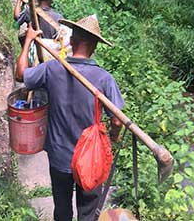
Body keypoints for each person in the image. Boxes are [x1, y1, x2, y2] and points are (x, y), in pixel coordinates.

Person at [16, 15, 124, 221]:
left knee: (62, 208)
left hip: (59, 156)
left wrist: (29, 39)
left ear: (71, 42)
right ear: (95, 46)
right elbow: (117, 120)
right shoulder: (104, 78)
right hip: (90, 157)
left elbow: (21, 74)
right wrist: (114, 136)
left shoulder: (52, 68)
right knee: (88, 211)